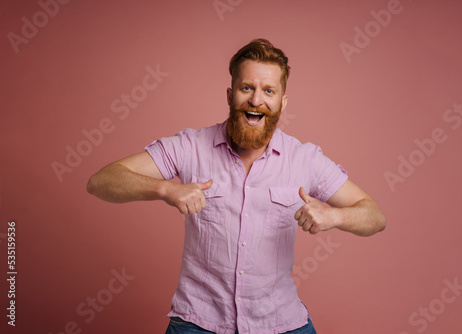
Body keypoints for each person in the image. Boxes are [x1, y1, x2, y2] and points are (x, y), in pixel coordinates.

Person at [87, 38, 386, 334]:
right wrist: (166, 189)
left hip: (279, 323)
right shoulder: (189, 146)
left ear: (282, 102)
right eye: (247, 88)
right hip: (197, 323)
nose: (256, 101)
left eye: (268, 91)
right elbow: (101, 181)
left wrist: (335, 216)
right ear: (230, 94)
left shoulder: (305, 159)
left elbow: (374, 215)